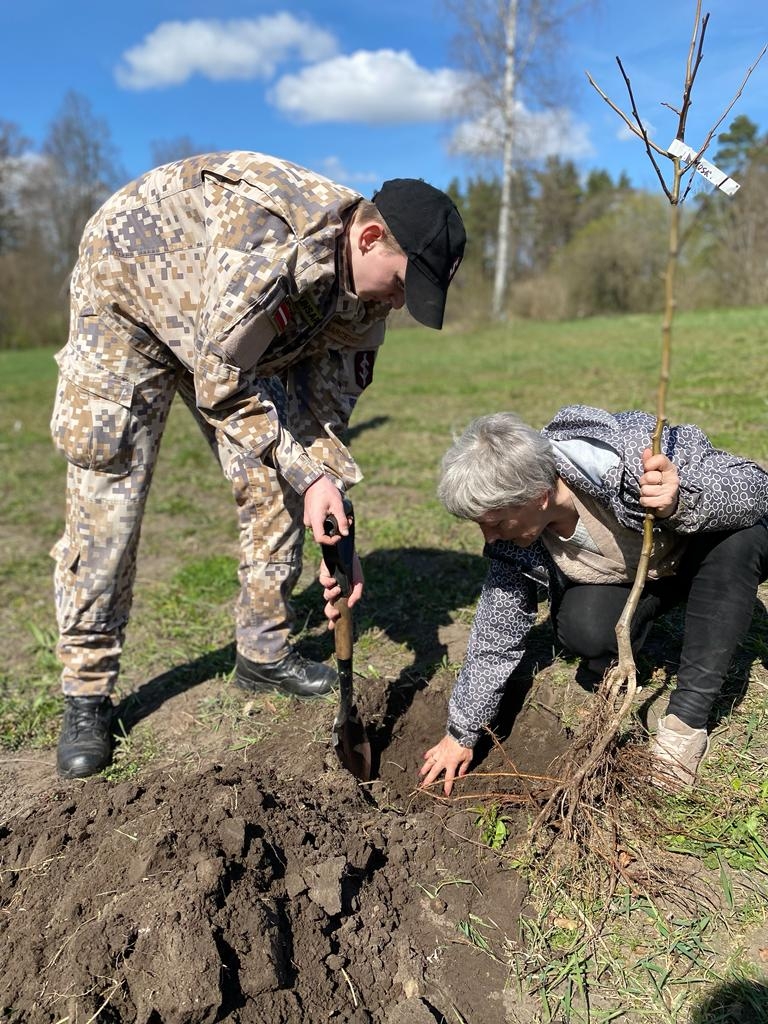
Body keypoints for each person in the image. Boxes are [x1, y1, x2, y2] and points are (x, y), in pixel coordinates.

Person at [50, 150, 466, 779]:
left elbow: (323, 418)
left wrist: (332, 507)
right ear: (371, 236)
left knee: (282, 477)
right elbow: (221, 385)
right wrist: (309, 473)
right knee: (109, 500)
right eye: (406, 284)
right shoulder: (270, 240)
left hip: (227, 335)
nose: (402, 304)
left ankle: (263, 651)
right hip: (129, 295)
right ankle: (86, 693)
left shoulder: (365, 296)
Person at [417, 405, 768, 795]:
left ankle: (686, 719)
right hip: (643, 579)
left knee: (741, 541)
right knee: (585, 628)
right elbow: (494, 636)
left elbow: (757, 487)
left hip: (703, 551)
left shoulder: (629, 456)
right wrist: (462, 732)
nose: (489, 537)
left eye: (496, 522)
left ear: (540, 495)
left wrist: (680, 503)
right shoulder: (515, 546)